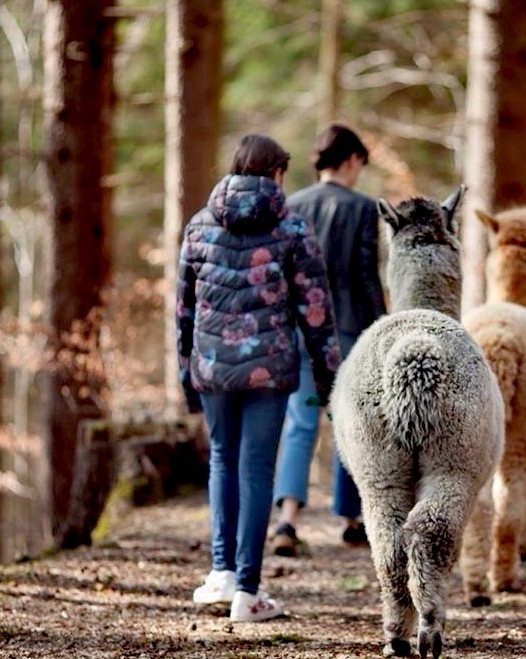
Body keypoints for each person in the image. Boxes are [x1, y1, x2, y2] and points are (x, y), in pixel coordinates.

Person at [177, 134, 340, 621]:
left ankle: (221, 574)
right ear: (275, 173)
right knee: (255, 471)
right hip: (269, 367)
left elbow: (183, 310)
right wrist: (329, 374)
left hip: (211, 367)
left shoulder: (200, 225)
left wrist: (185, 375)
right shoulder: (292, 227)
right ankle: (248, 592)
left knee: (222, 461)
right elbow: (315, 308)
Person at [270, 124, 387, 556]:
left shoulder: (292, 204)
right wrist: (382, 328)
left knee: (300, 422)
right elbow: (365, 274)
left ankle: (287, 520)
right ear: (353, 160)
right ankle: (351, 517)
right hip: (350, 330)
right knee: (349, 423)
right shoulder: (363, 208)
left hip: (301, 329)